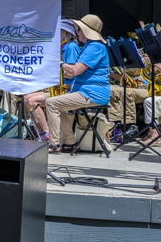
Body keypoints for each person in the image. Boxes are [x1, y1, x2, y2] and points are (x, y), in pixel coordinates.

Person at [45, 15, 111, 154]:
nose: (77, 32)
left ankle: (54, 144)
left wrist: (59, 63)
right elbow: (72, 73)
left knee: (51, 103)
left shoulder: (94, 47)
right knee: (50, 103)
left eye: (79, 30)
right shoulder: (89, 46)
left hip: (92, 93)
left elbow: (74, 71)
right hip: (84, 91)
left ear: (86, 31)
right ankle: (70, 142)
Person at [23, 19, 81, 140]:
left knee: (32, 101)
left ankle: (46, 133)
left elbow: (70, 73)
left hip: (67, 89)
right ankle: (40, 133)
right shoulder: (61, 47)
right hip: (58, 88)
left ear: (65, 32)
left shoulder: (71, 47)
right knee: (26, 98)